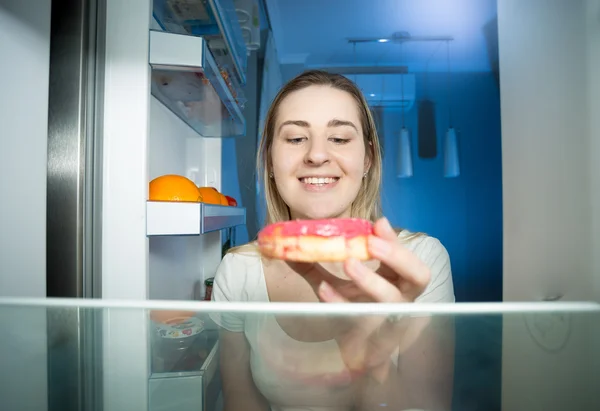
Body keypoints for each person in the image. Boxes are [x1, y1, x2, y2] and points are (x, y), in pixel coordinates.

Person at [211, 70, 455, 411]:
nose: (317, 155)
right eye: (296, 139)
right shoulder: (238, 270)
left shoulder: (420, 260)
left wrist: (373, 363)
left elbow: (432, 406)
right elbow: (240, 402)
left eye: (339, 139)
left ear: (368, 158)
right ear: (269, 158)